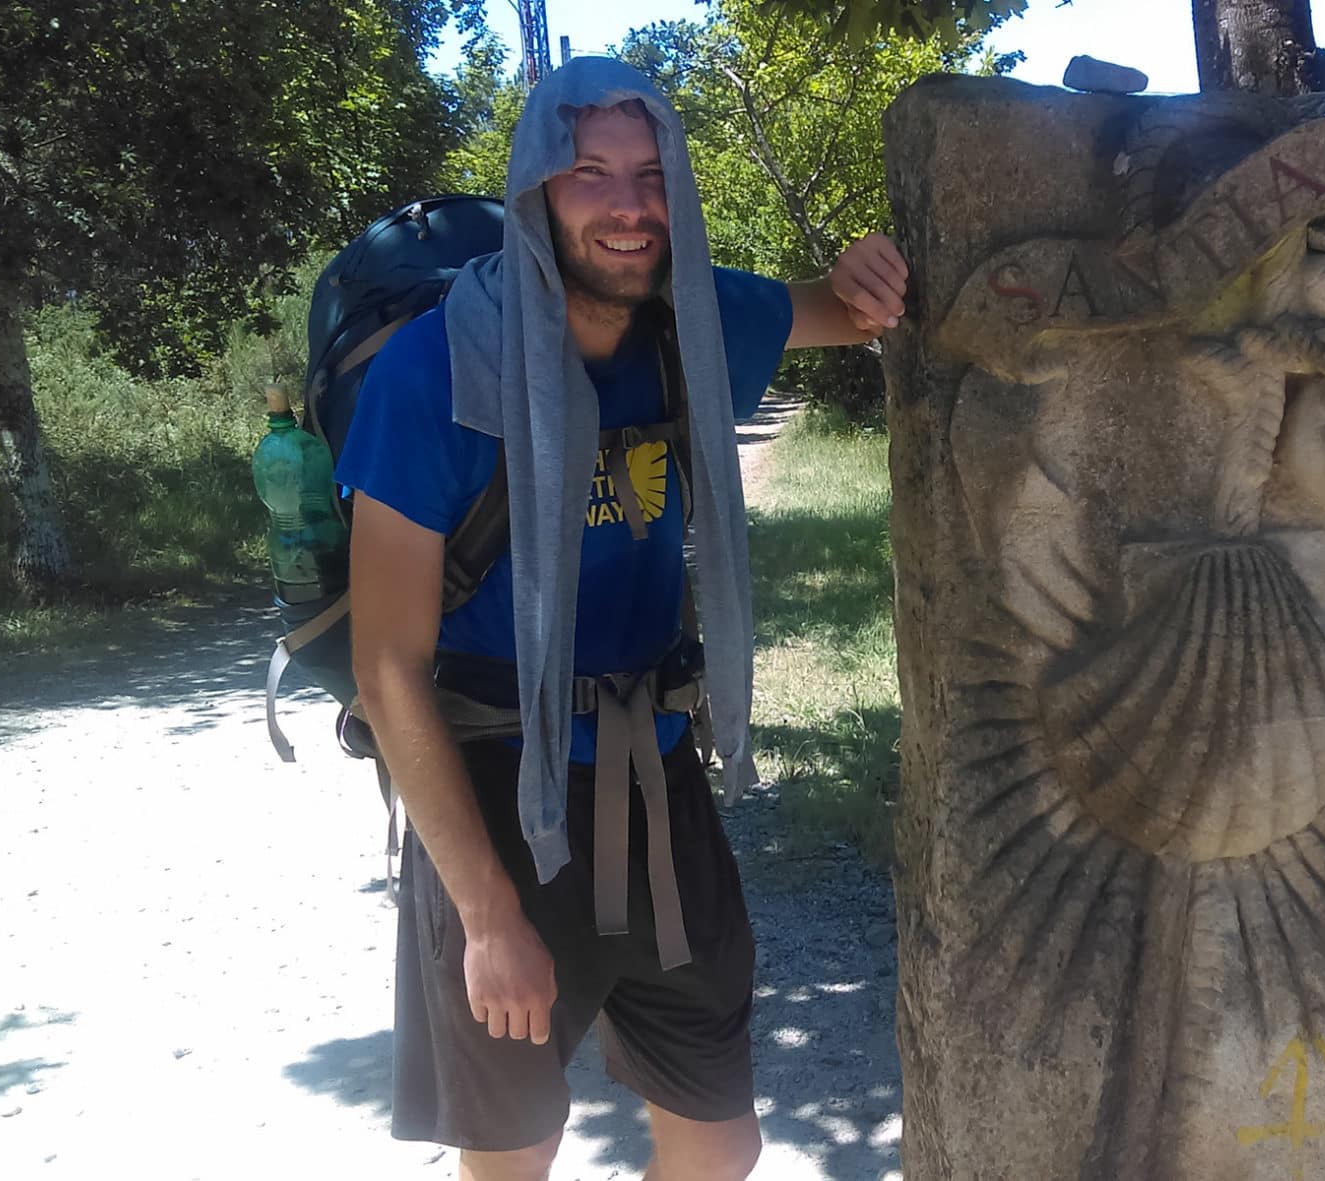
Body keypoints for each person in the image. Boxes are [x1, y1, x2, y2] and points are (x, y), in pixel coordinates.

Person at [334, 57, 906, 1181]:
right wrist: (486, 915)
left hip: (659, 780)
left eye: (651, 174)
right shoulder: (435, 371)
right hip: (499, 793)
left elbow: (846, 309)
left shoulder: (696, 319)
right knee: (514, 1156)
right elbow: (387, 665)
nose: (628, 205)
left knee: (721, 1144)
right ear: (536, 189)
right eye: (590, 172)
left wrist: (865, 272)